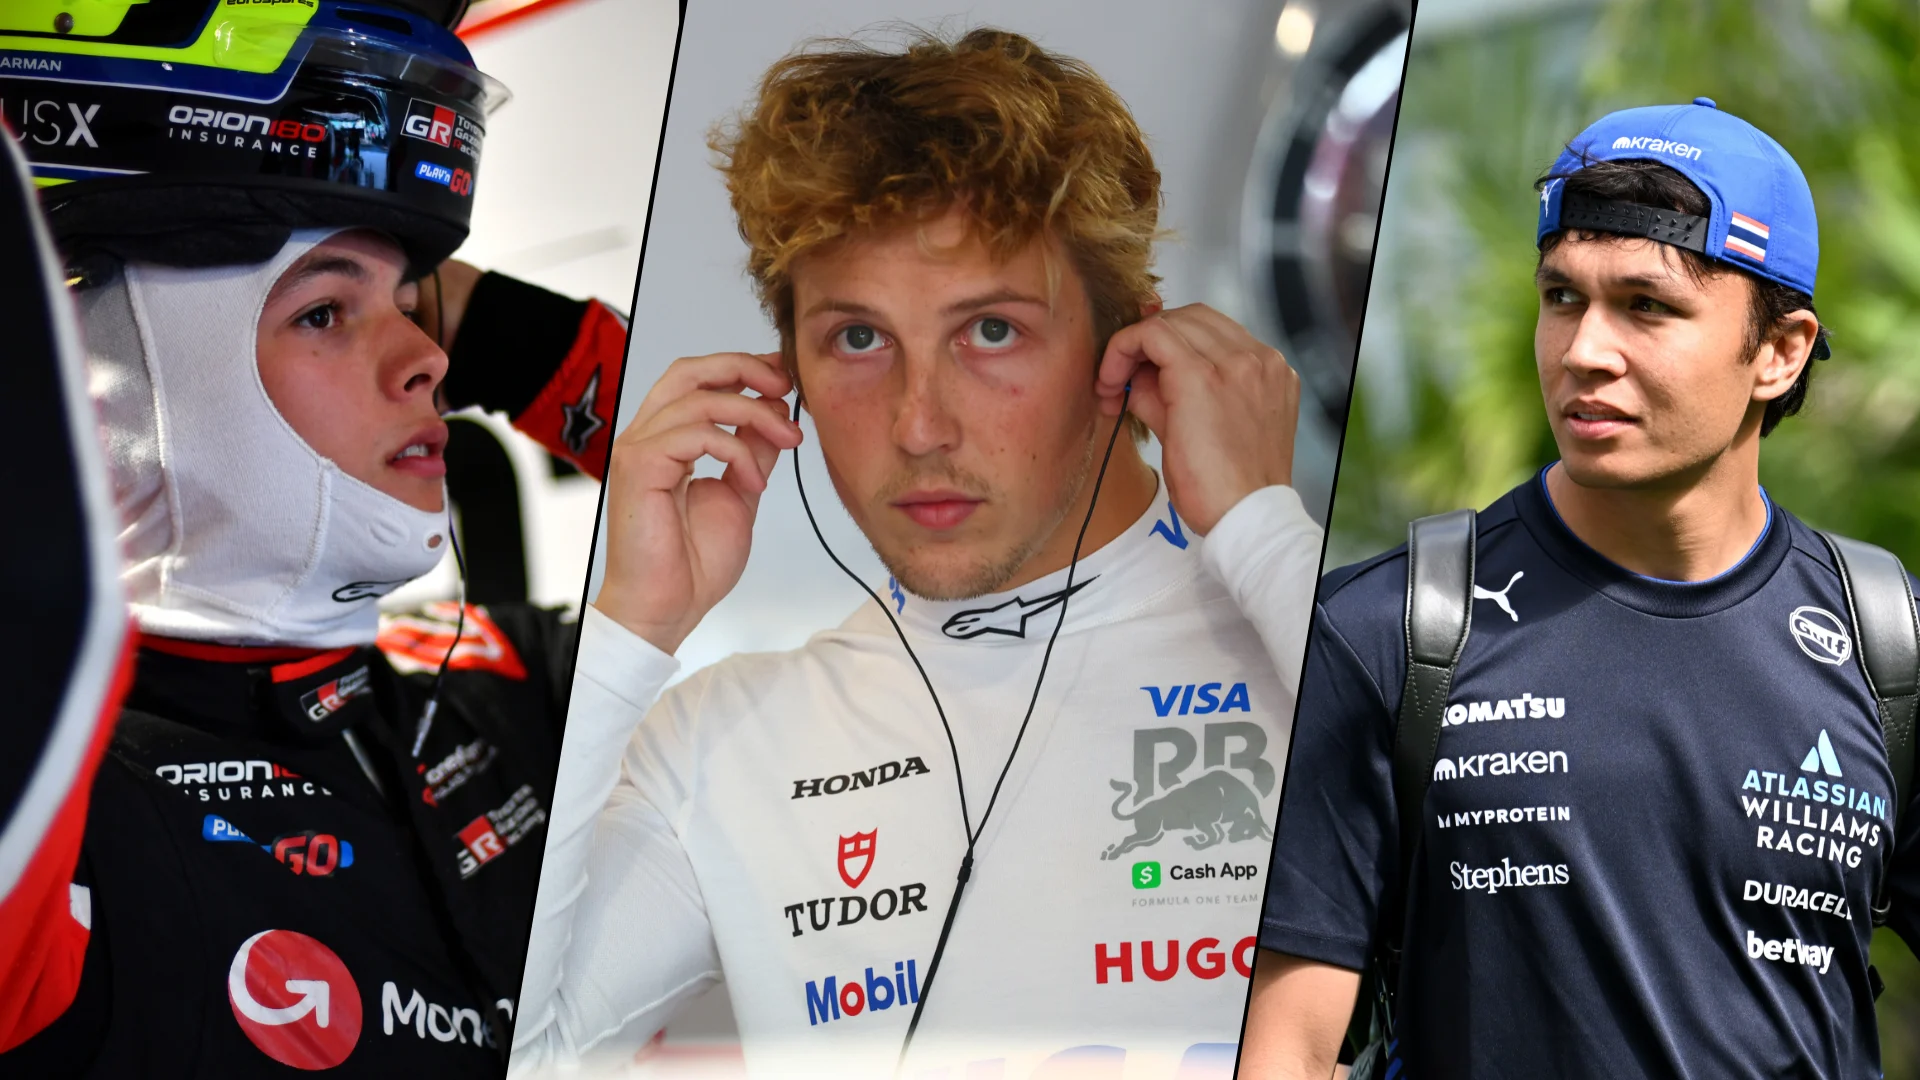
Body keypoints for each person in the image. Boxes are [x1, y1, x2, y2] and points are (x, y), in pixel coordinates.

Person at [510, 28, 1324, 1078]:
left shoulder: (1301, 635)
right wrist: (630, 626)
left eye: (989, 332)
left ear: (1132, 351)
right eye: (859, 339)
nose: (918, 426)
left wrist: (1263, 524)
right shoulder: (719, 735)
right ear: (784, 372)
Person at [0, 2, 629, 1073]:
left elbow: (863, 518)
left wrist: (505, 334)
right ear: (115, 390)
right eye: (324, 315)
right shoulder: (59, 800)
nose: (432, 360)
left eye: (417, 304)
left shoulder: (509, 682)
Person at [1241, 99, 1920, 1079]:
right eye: (1562, 297)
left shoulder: (1886, 644)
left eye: (1647, 306)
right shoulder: (1389, 634)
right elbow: (1286, 1053)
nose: (1584, 351)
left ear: (1779, 350)